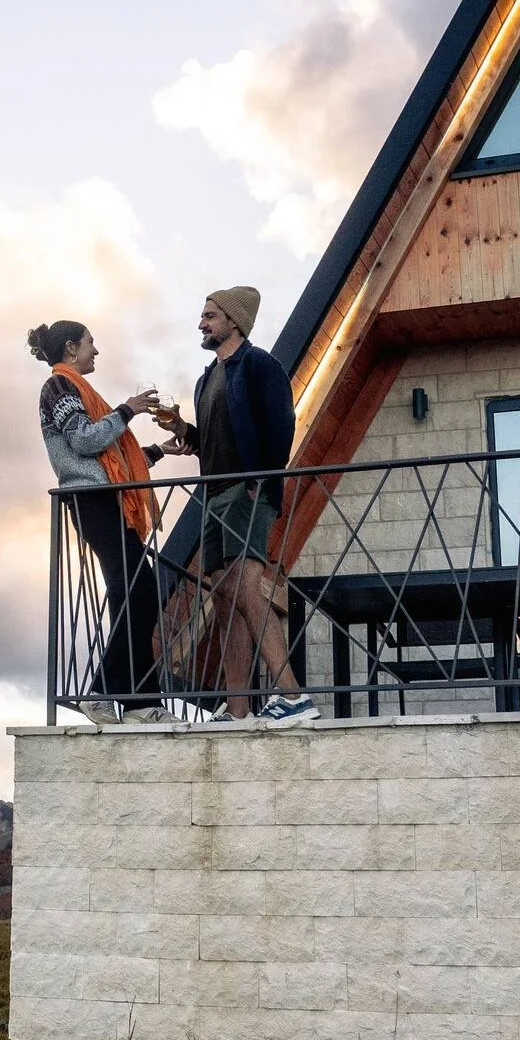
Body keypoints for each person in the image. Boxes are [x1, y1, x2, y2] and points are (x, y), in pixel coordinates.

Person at [157, 287, 318, 726]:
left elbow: (281, 427)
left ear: (234, 320)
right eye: (202, 315)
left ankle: (293, 697)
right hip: (213, 496)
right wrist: (182, 431)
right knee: (225, 600)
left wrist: (258, 482)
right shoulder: (205, 378)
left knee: (245, 587)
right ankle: (240, 708)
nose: (201, 323)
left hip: (247, 494)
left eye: (210, 315)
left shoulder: (260, 365)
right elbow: (213, 442)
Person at [28, 321, 168, 725]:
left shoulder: (74, 388)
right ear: (71, 348)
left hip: (106, 500)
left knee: (136, 594)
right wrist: (128, 410)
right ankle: (104, 692)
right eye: (91, 343)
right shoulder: (58, 387)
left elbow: (109, 458)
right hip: (93, 502)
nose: (96, 351)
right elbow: (86, 441)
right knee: (139, 592)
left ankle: (141, 701)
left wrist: (157, 450)